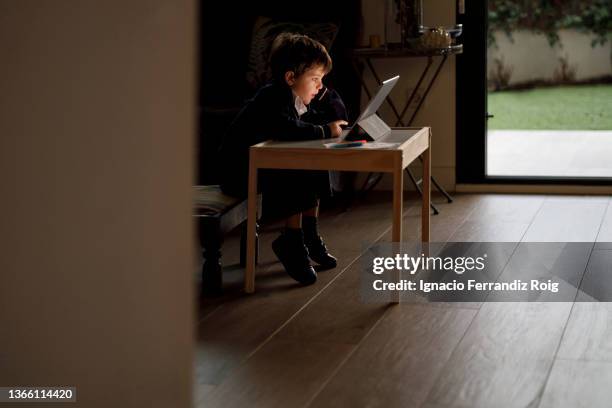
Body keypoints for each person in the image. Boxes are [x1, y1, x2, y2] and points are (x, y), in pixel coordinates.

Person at [219, 32, 348, 285]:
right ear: (290, 78)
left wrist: (329, 122)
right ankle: (292, 237)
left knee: (316, 160)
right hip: (238, 172)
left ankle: (309, 232)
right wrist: (324, 130)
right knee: (297, 165)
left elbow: (302, 122)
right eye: (315, 79)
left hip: (262, 165)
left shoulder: (293, 98)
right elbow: (287, 129)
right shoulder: (271, 97)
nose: (320, 86)